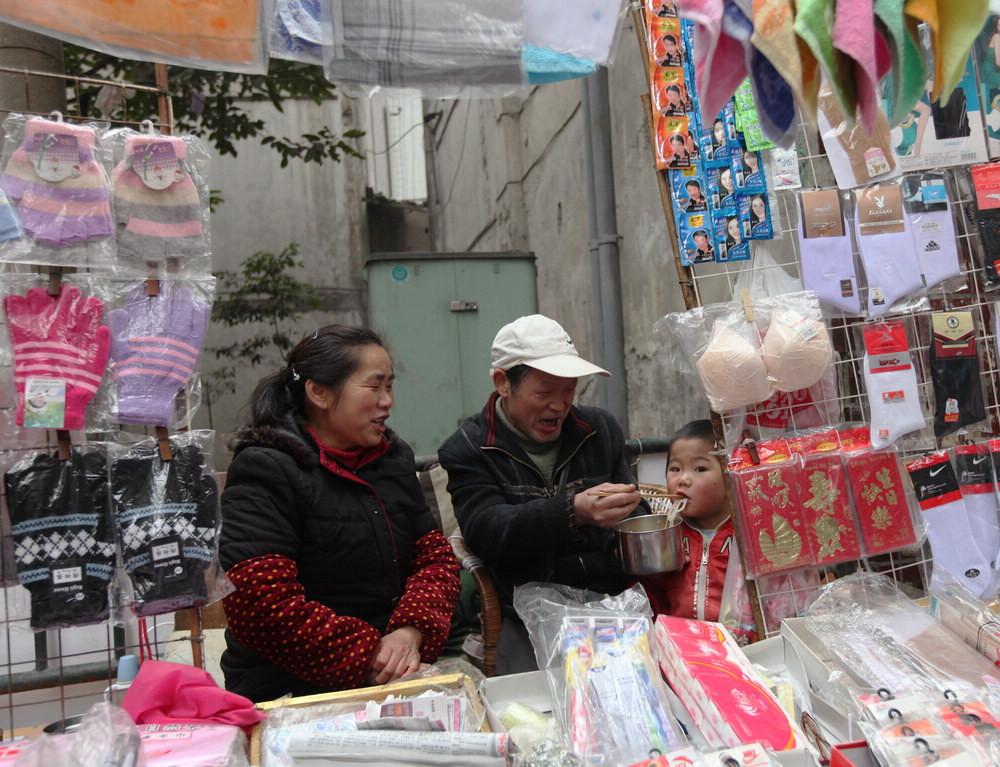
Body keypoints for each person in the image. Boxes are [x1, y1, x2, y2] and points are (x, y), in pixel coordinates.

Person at [218, 325, 462, 702]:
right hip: (292, 690)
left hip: (397, 670)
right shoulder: (265, 469)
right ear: (318, 392)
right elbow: (260, 604)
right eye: (374, 386)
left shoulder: (391, 459)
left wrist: (410, 631)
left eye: (390, 386)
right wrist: (371, 656)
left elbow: (435, 558)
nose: (387, 401)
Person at [438, 314, 646, 674]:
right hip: (523, 611)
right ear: (503, 383)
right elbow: (487, 531)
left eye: (569, 389)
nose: (560, 405)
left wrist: (630, 513)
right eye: (545, 391)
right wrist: (573, 512)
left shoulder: (600, 429)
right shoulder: (468, 447)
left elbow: (635, 511)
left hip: (611, 603)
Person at [642, 420, 756, 643]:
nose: (683, 479)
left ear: (730, 474)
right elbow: (650, 595)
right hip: (678, 649)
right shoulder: (666, 534)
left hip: (739, 649)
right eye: (675, 469)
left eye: (700, 469)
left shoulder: (748, 534)